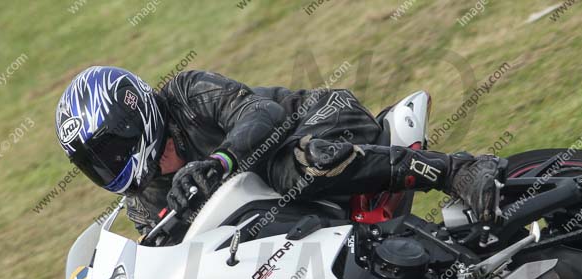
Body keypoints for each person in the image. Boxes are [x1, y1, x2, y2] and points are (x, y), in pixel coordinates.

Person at [55, 66, 506, 234]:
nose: (109, 164)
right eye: (94, 161)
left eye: (110, 149)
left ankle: (456, 170)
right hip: (285, 212)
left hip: (321, 121)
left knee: (288, 168)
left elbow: (260, 115)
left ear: (132, 117)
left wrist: (219, 163)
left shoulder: (187, 94)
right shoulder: (143, 202)